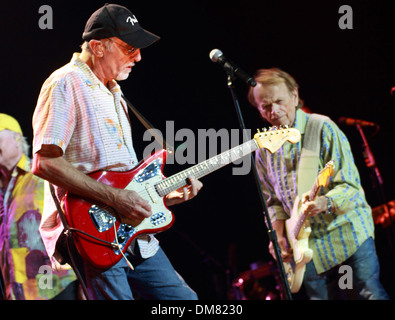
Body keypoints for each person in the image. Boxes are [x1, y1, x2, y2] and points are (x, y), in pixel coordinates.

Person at [32, 3, 203, 300]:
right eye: (128, 48)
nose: (138, 57)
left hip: (133, 231)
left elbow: (122, 179)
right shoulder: (65, 82)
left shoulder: (115, 92)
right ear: (98, 47)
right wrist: (115, 198)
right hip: (94, 231)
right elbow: (45, 163)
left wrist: (163, 196)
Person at [247, 68, 389, 300]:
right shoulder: (264, 149)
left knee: (368, 295)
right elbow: (271, 201)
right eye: (266, 107)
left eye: (280, 101)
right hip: (307, 250)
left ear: (294, 95)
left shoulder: (322, 127)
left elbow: (350, 186)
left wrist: (325, 201)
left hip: (347, 234)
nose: (274, 111)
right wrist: (279, 236)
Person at [0, 113, 79, 300]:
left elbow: (73, 226)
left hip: (58, 288)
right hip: (19, 294)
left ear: (17, 138)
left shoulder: (43, 176)